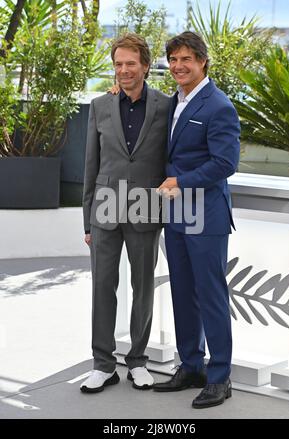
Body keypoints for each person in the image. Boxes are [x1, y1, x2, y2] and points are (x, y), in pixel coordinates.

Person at [152, 31, 240, 409]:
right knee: (182, 292)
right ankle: (192, 365)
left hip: (207, 213)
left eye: (186, 59)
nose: (178, 66)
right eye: (173, 59)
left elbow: (225, 163)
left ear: (203, 61)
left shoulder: (219, 106)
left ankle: (220, 377)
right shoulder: (173, 102)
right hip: (176, 215)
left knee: (211, 295)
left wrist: (181, 181)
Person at [81, 33, 170, 393]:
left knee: (143, 287)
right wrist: (86, 219)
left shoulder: (166, 107)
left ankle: (137, 361)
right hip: (104, 207)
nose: (124, 70)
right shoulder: (100, 105)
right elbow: (91, 163)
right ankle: (103, 364)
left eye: (131, 63)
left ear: (145, 66)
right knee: (103, 285)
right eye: (118, 64)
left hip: (146, 207)